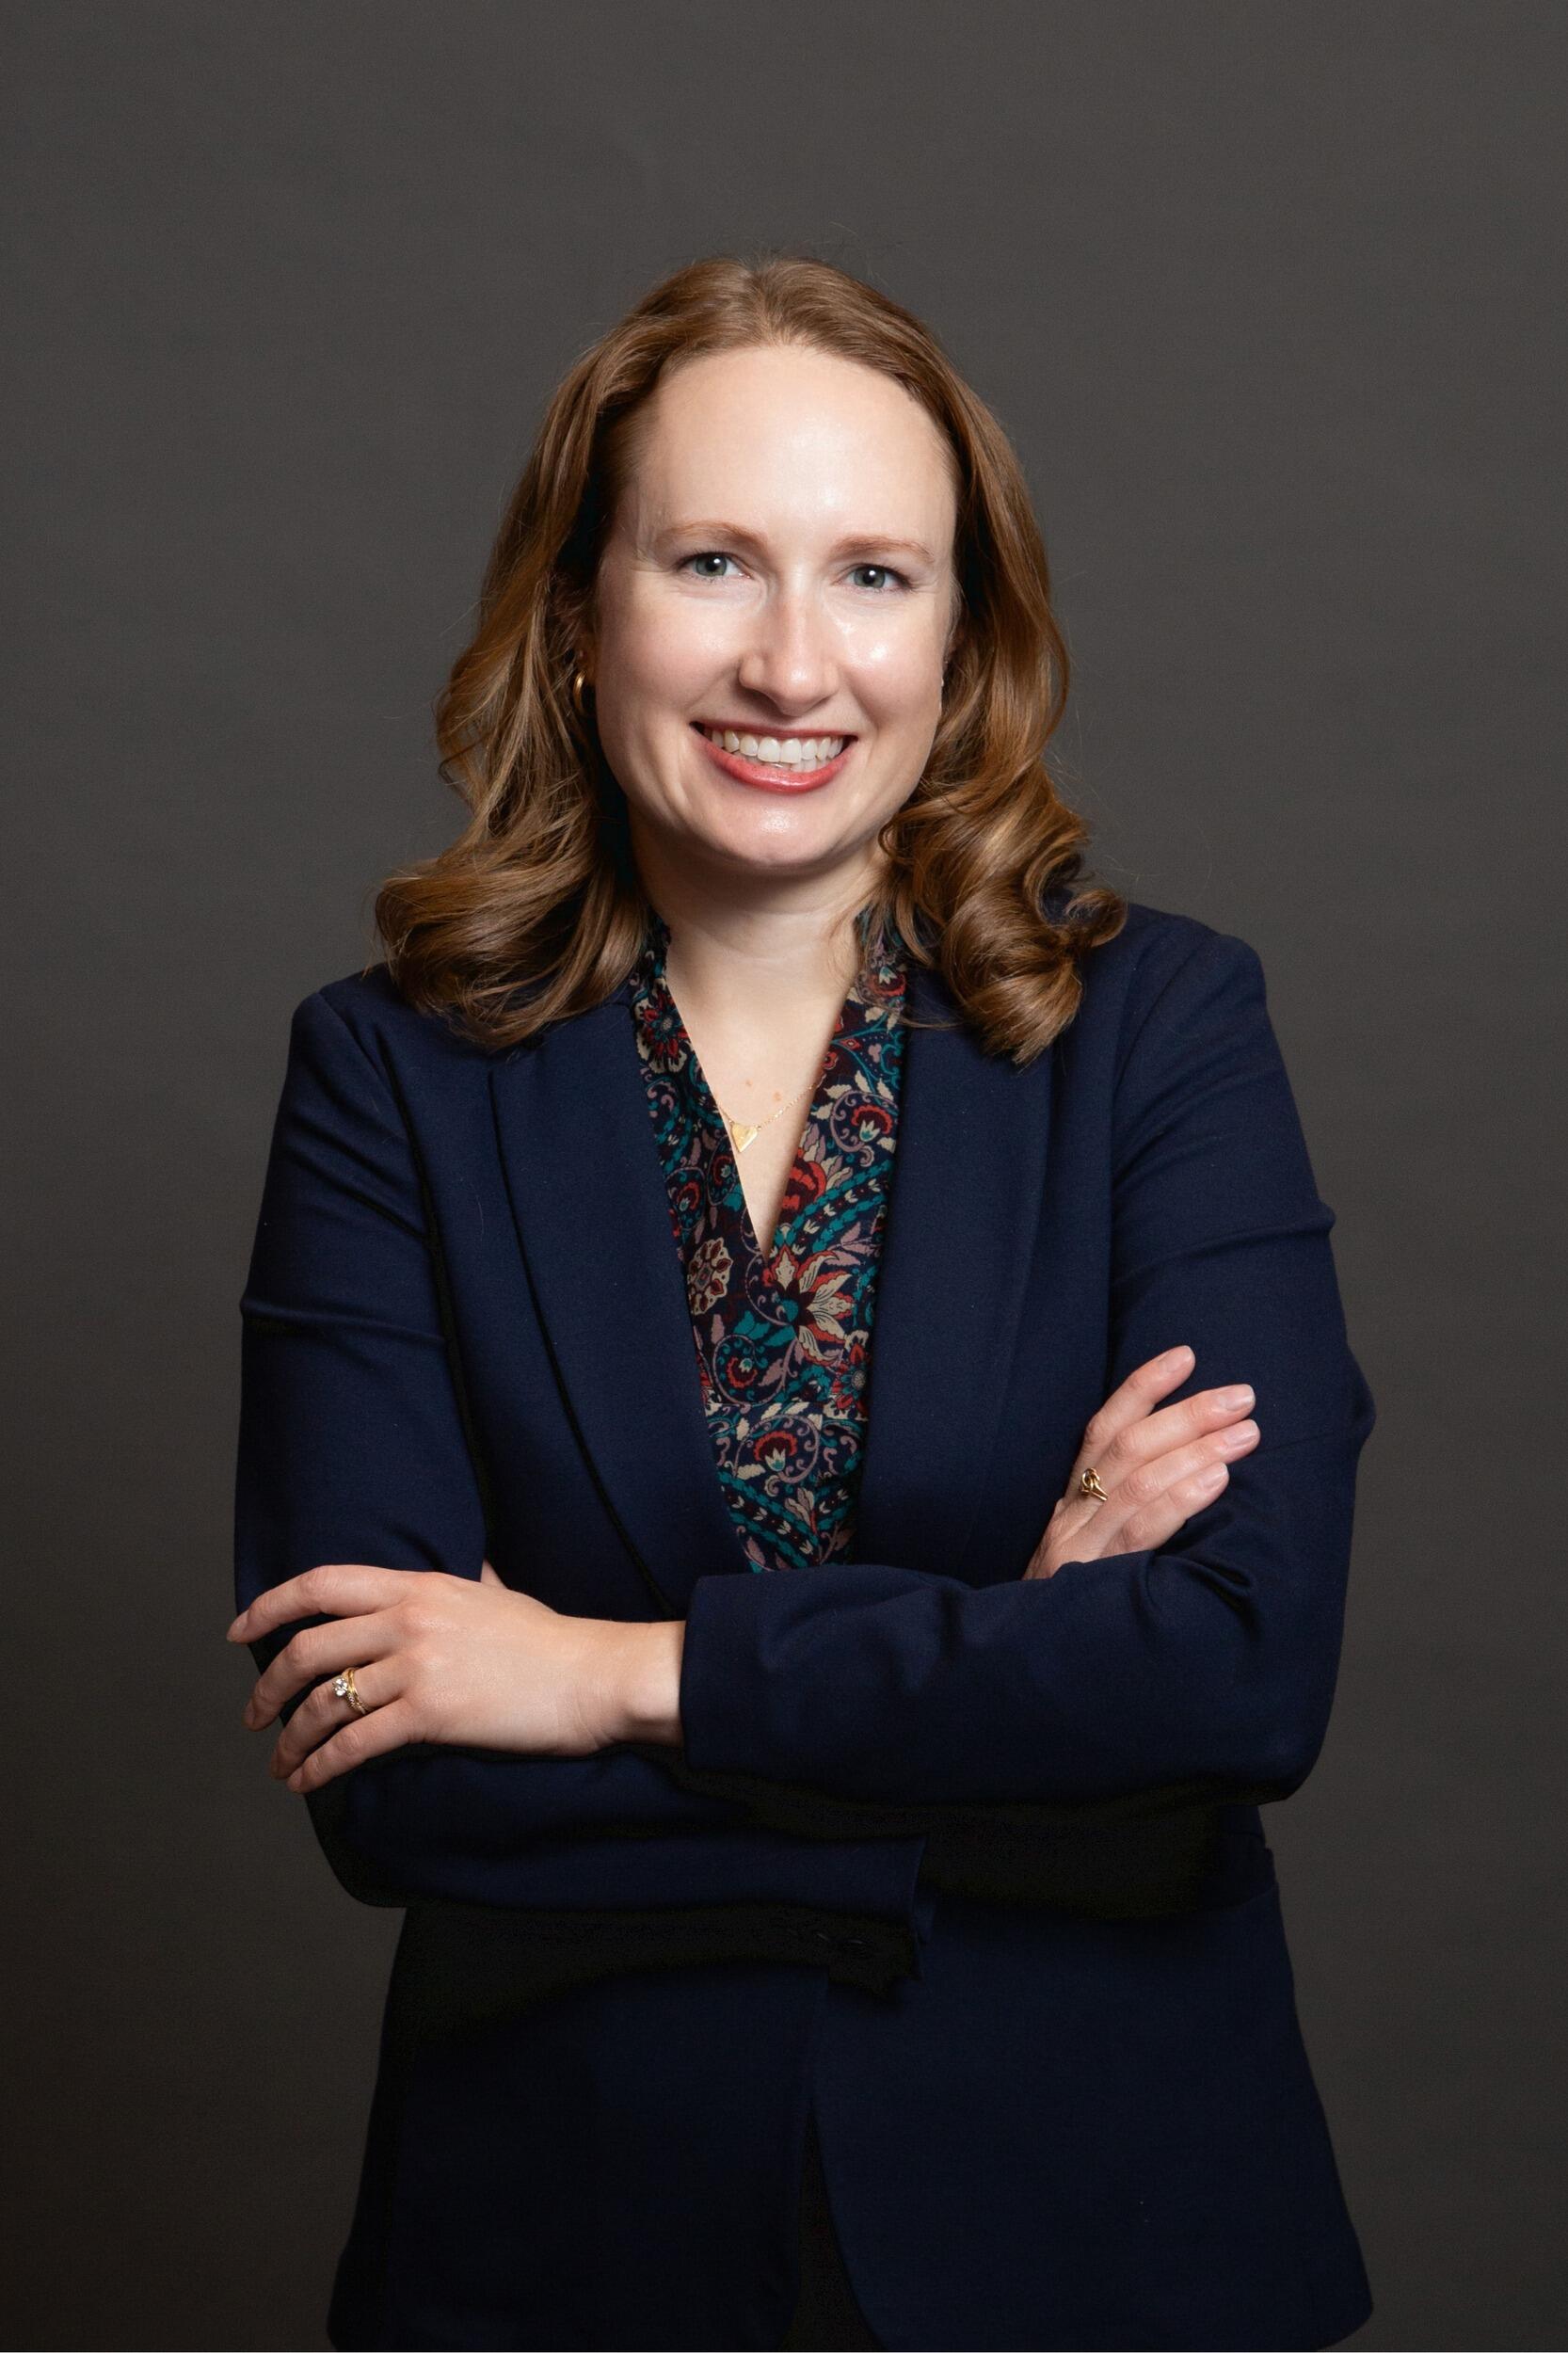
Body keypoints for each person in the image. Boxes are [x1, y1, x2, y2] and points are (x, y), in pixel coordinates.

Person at [228, 252, 1377, 2352]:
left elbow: (1232, 1677)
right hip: (564, 2241)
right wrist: (1020, 1663)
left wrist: (603, 1674)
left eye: (870, 576)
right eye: (710, 562)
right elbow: (393, 1774)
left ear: (960, 637)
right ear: (577, 614)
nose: (789, 662)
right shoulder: (386, 1076)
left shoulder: (1165, 1030)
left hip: (1100, 2232)